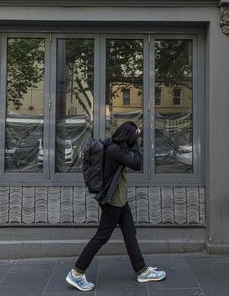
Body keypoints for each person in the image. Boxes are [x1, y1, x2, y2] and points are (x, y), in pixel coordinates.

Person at [66, 121, 166, 291]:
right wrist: (136, 142)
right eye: (135, 135)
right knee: (102, 237)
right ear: (129, 136)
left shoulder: (115, 147)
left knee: (130, 233)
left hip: (120, 200)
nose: (137, 137)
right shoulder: (114, 150)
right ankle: (76, 272)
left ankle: (142, 270)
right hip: (113, 201)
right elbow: (137, 164)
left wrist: (134, 139)